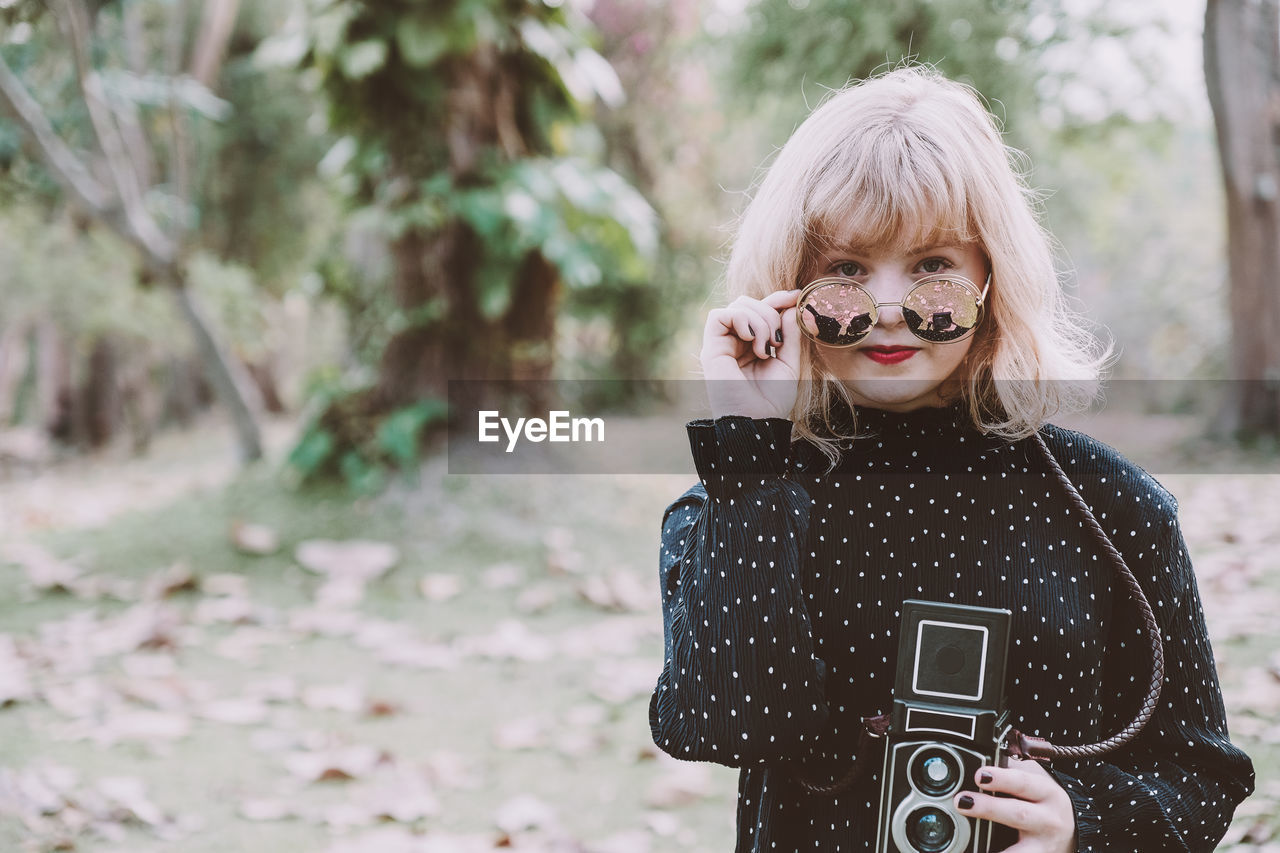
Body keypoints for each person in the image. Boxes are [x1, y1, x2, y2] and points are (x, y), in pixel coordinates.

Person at [648, 66, 1255, 852]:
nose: (891, 310)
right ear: (787, 290)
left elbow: (1202, 772)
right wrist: (753, 448)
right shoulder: (732, 502)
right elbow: (726, 725)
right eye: (846, 270)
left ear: (992, 277)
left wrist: (1085, 823)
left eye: (933, 266)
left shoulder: (1110, 503)